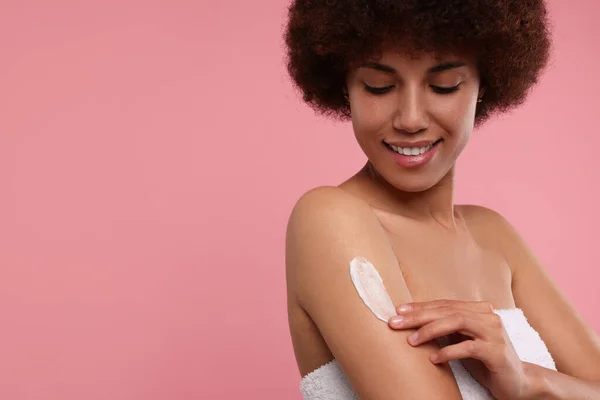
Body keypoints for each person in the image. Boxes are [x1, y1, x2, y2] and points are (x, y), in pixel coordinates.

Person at [283, 0, 600, 399]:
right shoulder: (331, 221)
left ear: (484, 85)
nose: (411, 118)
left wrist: (528, 382)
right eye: (378, 86)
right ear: (343, 87)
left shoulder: (494, 236)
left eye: (444, 85)